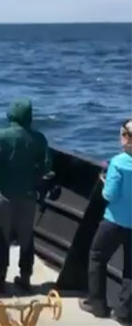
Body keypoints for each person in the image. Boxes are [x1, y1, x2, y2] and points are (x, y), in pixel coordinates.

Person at [0, 98, 52, 292]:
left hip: (4, 193)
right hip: (28, 193)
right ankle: (25, 276)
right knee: (26, 236)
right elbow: (47, 165)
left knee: (2, 234)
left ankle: (0, 275)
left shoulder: (2, 136)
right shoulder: (39, 138)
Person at [79, 119, 132, 324]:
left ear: (127, 139)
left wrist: (104, 181)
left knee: (97, 257)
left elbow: (109, 194)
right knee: (130, 269)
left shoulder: (119, 162)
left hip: (114, 222)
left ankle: (97, 304)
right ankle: (125, 313)